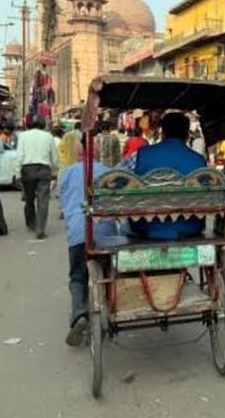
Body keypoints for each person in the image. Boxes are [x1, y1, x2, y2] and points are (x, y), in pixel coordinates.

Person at [58, 135, 119, 346]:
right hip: (106, 236)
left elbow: (64, 204)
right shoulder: (109, 173)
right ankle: (108, 311)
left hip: (77, 234)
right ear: (97, 152)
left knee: (77, 278)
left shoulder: (66, 174)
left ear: (79, 152)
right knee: (110, 273)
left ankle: (80, 314)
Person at [122, 112, 208, 240]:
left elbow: (118, 179)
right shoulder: (200, 161)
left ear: (163, 133)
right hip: (190, 227)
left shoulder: (140, 155)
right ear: (186, 135)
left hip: (144, 226)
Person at [15, 115, 59, 240]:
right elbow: (54, 157)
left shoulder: (23, 136)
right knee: (43, 200)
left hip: (27, 169)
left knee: (29, 198)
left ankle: (31, 223)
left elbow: (19, 155)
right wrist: (55, 172)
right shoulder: (49, 136)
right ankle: (40, 229)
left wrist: (17, 173)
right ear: (43, 124)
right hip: (44, 169)